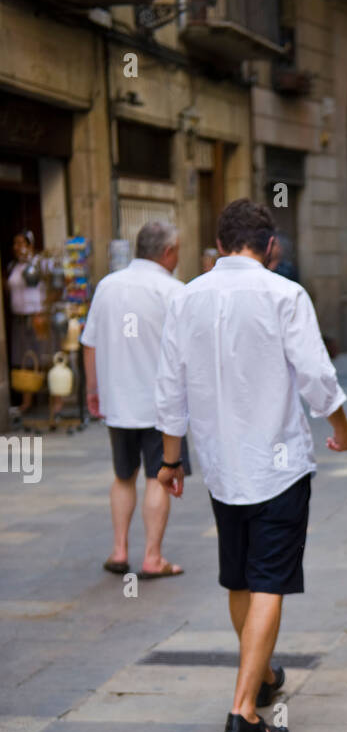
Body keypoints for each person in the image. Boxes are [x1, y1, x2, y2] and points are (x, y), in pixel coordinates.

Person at [154, 198, 347, 732]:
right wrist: (342, 428)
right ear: (269, 247)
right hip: (279, 467)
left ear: (219, 245)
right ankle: (243, 710)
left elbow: (169, 388)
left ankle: (263, 676)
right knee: (269, 580)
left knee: (240, 577)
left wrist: (171, 461)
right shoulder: (284, 294)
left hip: (222, 468)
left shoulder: (187, 298)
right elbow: (317, 374)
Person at [82, 220, 189, 578]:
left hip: (118, 402)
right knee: (159, 477)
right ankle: (152, 557)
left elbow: (89, 342)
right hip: (160, 406)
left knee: (122, 476)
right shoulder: (174, 291)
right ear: (168, 251)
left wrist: (93, 390)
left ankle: (119, 550)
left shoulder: (108, 286)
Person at [4, 230, 48, 421]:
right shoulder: (13, 266)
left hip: (37, 317)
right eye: (15, 243)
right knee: (23, 360)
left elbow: (49, 286)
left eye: (22, 243)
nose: (17, 247)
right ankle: (26, 401)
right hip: (19, 317)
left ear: (30, 245)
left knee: (42, 357)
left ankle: (50, 399)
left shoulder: (39, 263)